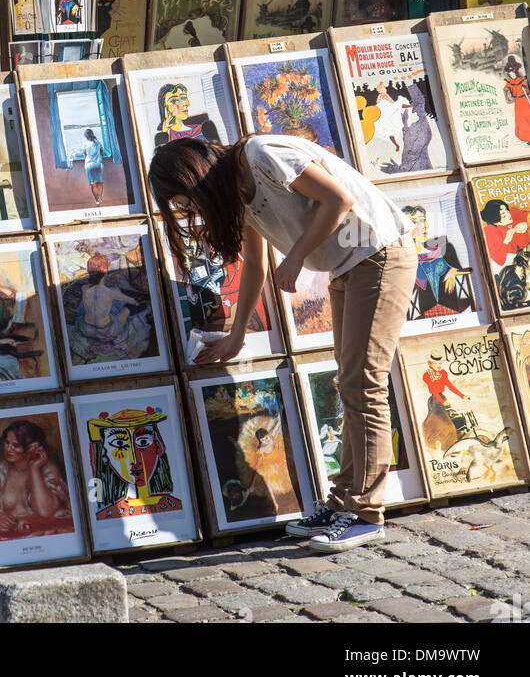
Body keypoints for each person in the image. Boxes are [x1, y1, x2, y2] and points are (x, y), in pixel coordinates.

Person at [149, 133, 416, 551]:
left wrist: (294, 257)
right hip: (350, 267)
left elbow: (338, 200)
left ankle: (365, 513)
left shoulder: (260, 155)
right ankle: (344, 501)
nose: (190, 211)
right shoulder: (240, 191)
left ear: (196, 177)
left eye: (185, 200)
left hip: (380, 255)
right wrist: (236, 336)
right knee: (350, 384)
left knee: (363, 385)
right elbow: (255, 264)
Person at [0, 420, 71, 540]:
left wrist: (34, 468)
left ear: (32, 447)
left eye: (16, 445)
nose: (8, 448)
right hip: (11, 539)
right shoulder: (0, 471)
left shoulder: (48, 470)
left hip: (45, 538)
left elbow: (45, 511)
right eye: (6, 443)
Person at [83, 128, 104, 205]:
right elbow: (102, 153)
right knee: (100, 182)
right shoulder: (98, 143)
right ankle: (101, 198)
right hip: (98, 164)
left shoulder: (85, 144)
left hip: (89, 165)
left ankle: (97, 200)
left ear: (86, 136)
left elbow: (85, 154)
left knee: (93, 184)